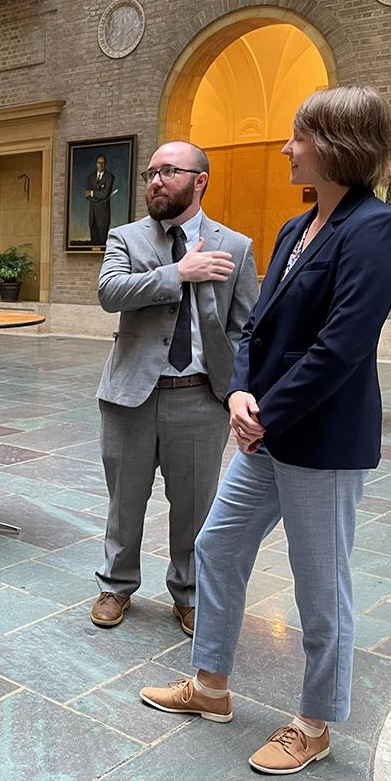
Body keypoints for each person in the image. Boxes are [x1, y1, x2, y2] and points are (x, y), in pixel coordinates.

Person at [140, 86, 391, 775]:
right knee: (218, 545)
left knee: (320, 587)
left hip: (321, 440)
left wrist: (266, 414)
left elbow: (341, 348)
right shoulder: (296, 228)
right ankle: (211, 685)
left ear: (337, 144)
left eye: (298, 137)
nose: (287, 149)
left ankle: (314, 724)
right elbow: (257, 327)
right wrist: (238, 391)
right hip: (265, 428)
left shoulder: (374, 230)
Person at [92, 141, 258, 635]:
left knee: (194, 506)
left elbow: (245, 328)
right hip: (130, 397)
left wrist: (234, 389)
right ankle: (116, 585)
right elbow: (109, 292)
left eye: (167, 172)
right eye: (150, 174)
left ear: (199, 180)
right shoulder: (125, 238)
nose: (155, 182)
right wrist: (176, 274)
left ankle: (188, 594)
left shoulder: (235, 246)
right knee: (125, 500)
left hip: (200, 397)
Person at [86, 154, 115, 246]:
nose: (101, 165)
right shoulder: (91, 178)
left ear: (105, 164)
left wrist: (92, 193)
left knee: (103, 244)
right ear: (96, 164)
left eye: (103, 163)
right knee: (93, 243)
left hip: (103, 217)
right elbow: (87, 195)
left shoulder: (109, 177)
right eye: (99, 163)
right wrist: (99, 198)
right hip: (92, 216)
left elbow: (105, 194)